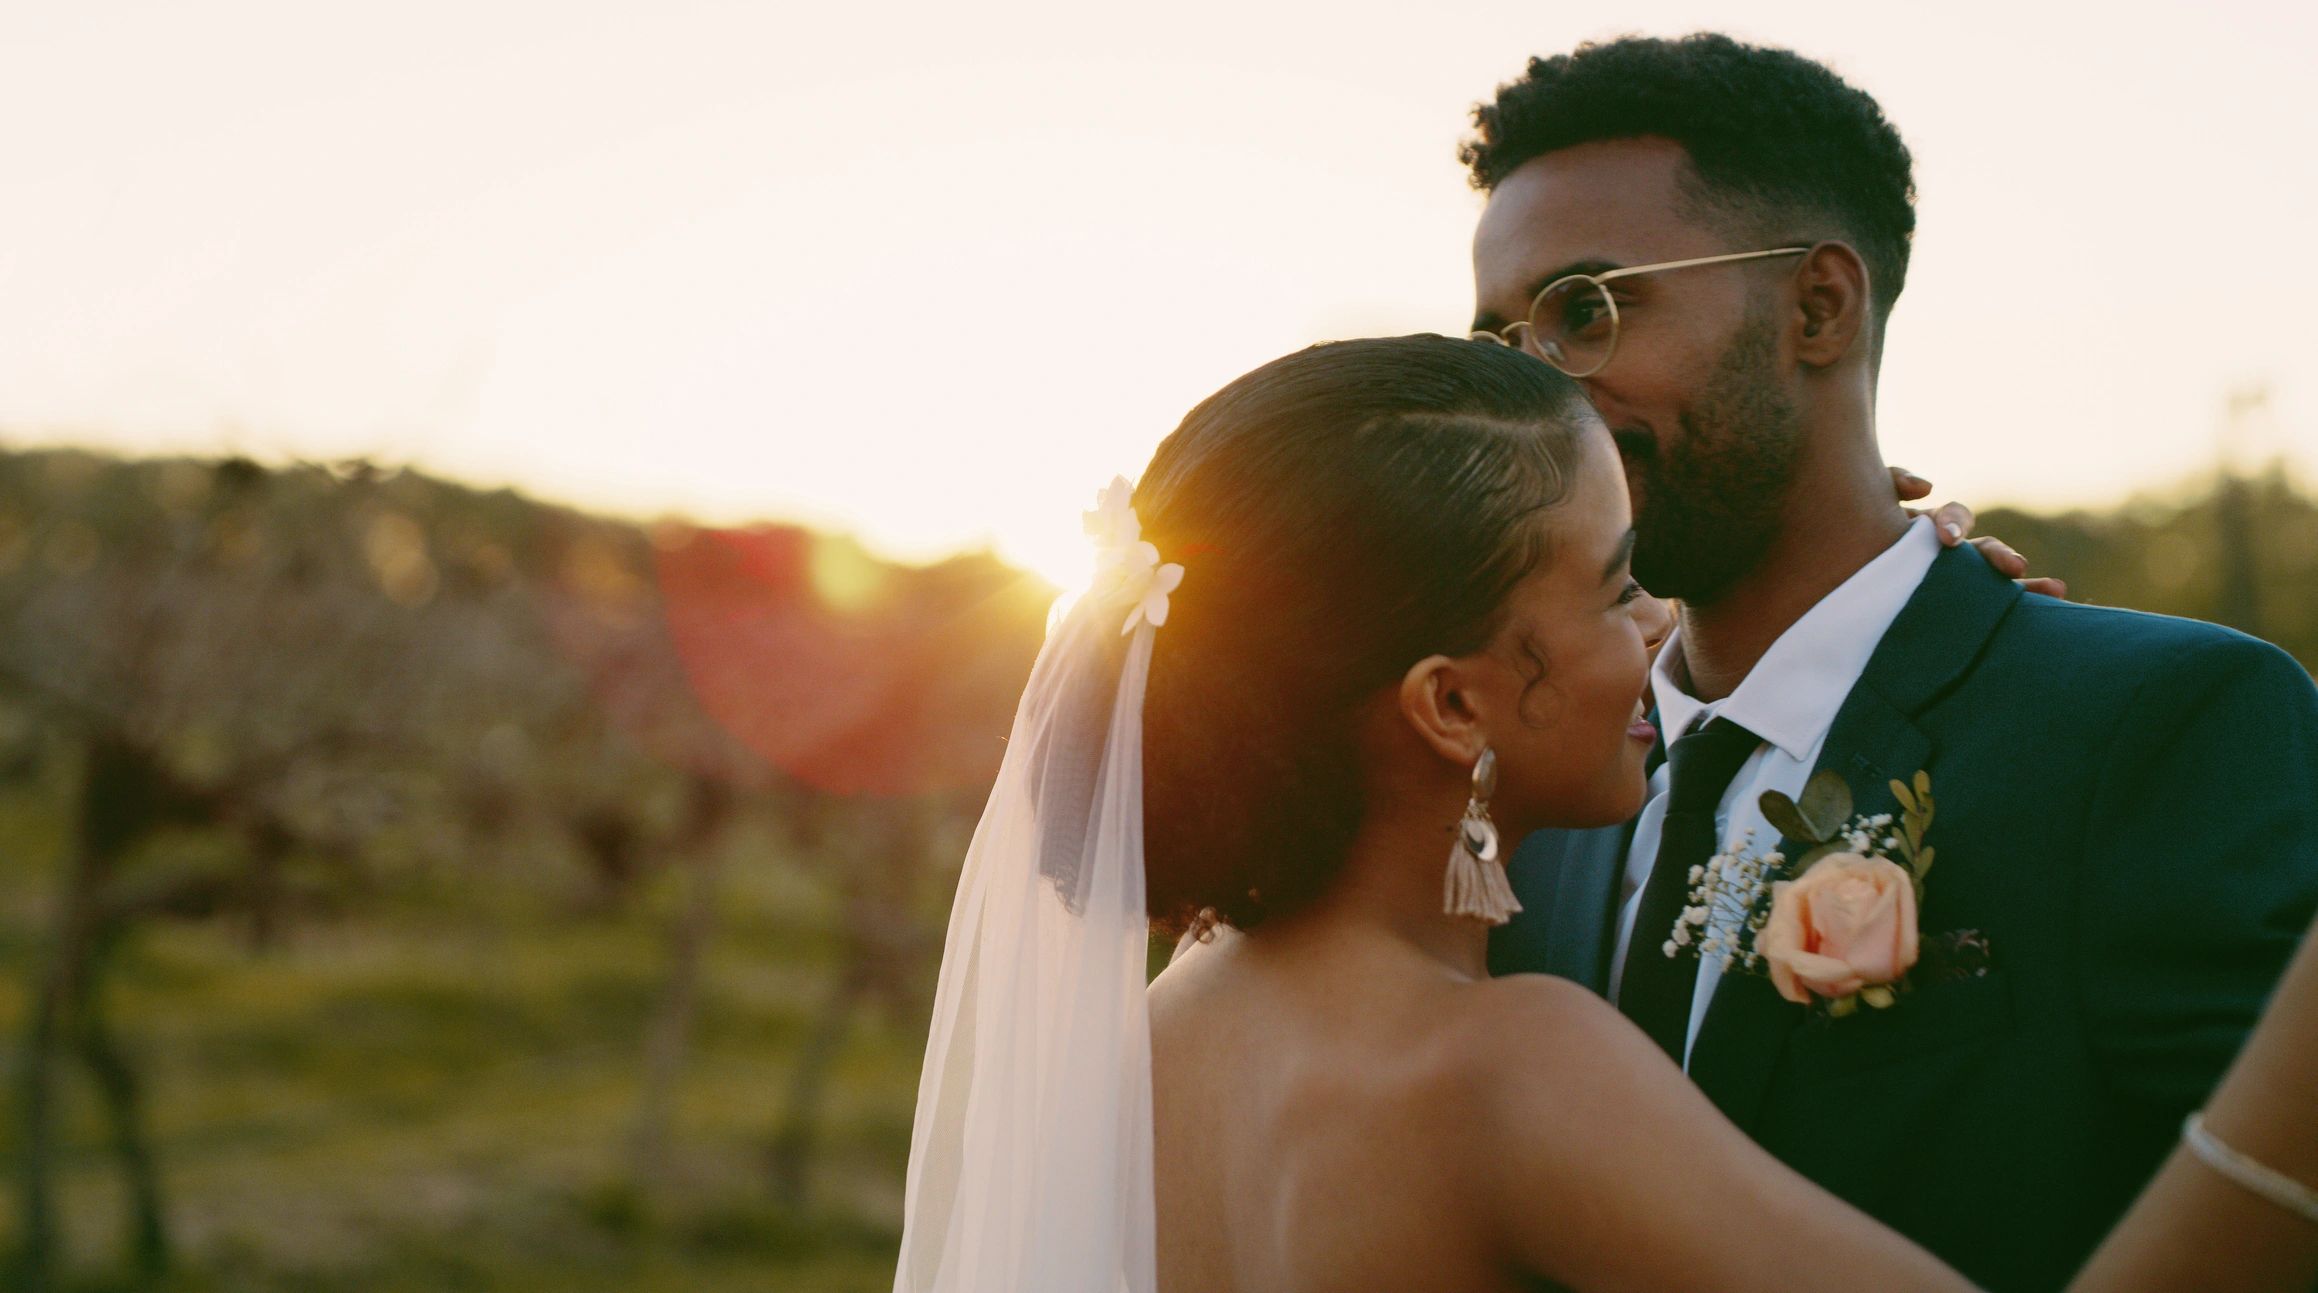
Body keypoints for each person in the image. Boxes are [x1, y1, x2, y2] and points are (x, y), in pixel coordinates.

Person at [891, 335, 2318, 1292]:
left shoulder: (1143, 1042)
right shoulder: (1505, 1068)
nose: (1657, 625)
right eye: (1613, 583)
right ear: (1448, 705)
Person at [1465, 34, 2318, 1291]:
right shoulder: (1537, 798)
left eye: (1585, 311)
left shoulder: (2161, 725)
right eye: (1500, 343)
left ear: (1817, 305)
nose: (1536, 394)